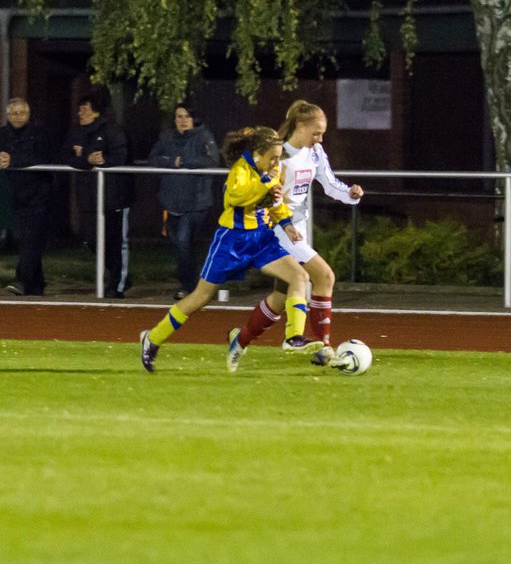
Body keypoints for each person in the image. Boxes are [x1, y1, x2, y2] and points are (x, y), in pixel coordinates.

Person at [139, 126, 324, 373]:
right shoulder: (240, 170)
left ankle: (294, 338)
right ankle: (152, 338)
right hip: (232, 241)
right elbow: (236, 198)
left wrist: (287, 224)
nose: (277, 162)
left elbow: (274, 202)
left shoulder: (271, 170)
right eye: (274, 157)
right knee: (200, 297)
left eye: (279, 157)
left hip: (261, 239)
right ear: (258, 154)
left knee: (299, 276)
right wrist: (265, 185)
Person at [226, 100, 363, 371]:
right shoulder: (279, 155)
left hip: (298, 230)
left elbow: (329, 183)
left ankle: (239, 341)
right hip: (277, 228)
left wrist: (350, 194)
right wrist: (272, 198)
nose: (320, 138)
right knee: (324, 276)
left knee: (282, 295)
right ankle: (323, 347)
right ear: (300, 126)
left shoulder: (315, 153)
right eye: (316, 132)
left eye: (322, 133)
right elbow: (256, 191)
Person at [65, 83, 133, 298]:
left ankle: (117, 284)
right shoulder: (76, 133)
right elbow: (66, 157)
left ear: (96, 110)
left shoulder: (113, 131)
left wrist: (98, 160)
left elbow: (120, 158)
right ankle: (116, 275)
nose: (81, 113)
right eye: (80, 109)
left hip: (114, 197)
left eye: (85, 108)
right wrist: (86, 158)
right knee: (92, 240)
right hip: (88, 198)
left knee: (115, 242)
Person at [148, 99, 220, 299]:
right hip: (171, 202)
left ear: (194, 118)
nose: (182, 120)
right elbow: (153, 158)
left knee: (183, 241)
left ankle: (191, 287)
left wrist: (185, 162)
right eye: (178, 116)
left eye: (186, 116)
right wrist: (173, 162)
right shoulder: (167, 137)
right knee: (178, 245)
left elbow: (212, 161)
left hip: (196, 202)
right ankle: (191, 284)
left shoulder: (204, 136)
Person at [0, 97, 57, 296]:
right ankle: (36, 284)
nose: (18, 116)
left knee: (31, 239)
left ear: (28, 114)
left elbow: (43, 156)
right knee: (26, 238)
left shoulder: (39, 133)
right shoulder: (3, 134)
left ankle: (22, 280)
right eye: (14, 113)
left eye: (22, 113)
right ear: (8, 115)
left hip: (40, 193)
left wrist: (13, 160)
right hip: (18, 195)